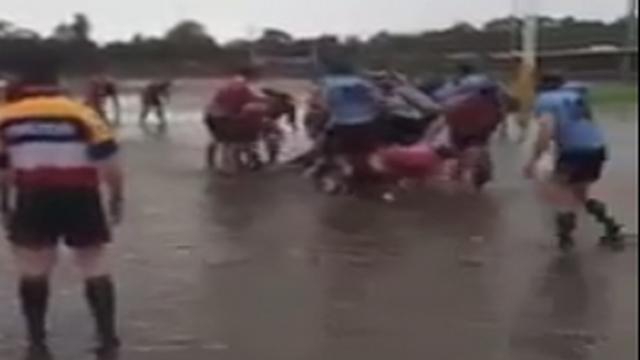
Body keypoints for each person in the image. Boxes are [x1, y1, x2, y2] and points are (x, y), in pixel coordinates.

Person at [0, 51, 124, 359]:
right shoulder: (81, 112)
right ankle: (107, 341)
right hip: (81, 196)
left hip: (33, 197)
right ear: (56, 80)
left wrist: (4, 204)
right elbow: (109, 162)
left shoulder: (5, 116)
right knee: (94, 266)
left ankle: (37, 343)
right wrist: (116, 198)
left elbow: (3, 168)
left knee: (33, 270)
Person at [524, 72, 624, 251]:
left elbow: (546, 129)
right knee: (579, 193)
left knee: (561, 192)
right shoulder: (576, 96)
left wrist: (533, 159)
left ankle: (565, 239)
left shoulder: (545, 100)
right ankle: (611, 227)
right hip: (596, 147)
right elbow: (588, 121)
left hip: (573, 150)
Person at [203, 67, 265, 171]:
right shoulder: (241, 85)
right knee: (233, 142)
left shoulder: (232, 84)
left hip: (212, 116)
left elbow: (246, 99)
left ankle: (211, 164)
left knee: (218, 140)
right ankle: (230, 166)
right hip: (222, 116)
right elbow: (246, 100)